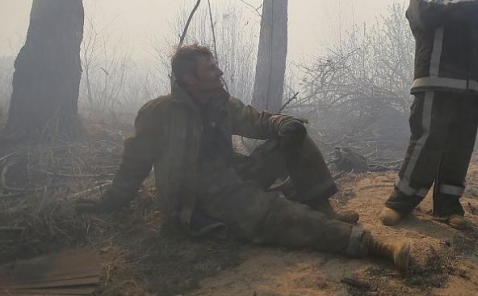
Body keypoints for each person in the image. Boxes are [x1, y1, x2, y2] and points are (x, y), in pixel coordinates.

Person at [75, 44, 411, 270]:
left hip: (233, 175)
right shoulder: (158, 114)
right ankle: (374, 246)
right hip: (201, 201)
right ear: (189, 79)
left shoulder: (221, 102)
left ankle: (325, 209)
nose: (220, 73)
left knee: (293, 135)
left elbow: (258, 120)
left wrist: (284, 123)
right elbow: (132, 166)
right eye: (211, 70)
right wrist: (109, 203)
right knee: (281, 216)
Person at [380, 0, 478, 230]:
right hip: (435, 84)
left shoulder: (472, 3)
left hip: (469, 91)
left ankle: (448, 207)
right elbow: (428, 14)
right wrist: (468, 5)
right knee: (426, 143)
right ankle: (400, 203)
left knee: (460, 149)